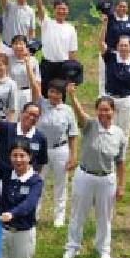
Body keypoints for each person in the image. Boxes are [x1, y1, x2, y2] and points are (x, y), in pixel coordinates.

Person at [64, 87, 128, 258]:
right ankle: (72, 246)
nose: (104, 113)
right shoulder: (90, 125)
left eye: (107, 109)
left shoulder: (119, 134)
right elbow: (80, 114)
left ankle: (103, 249)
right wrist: (72, 96)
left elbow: (121, 162)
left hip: (107, 180)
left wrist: (121, 186)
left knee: (105, 216)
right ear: (96, 111)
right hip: (85, 176)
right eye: (101, 109)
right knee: (78, 213)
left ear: (113, 111)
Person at [35, 80, 79, 227]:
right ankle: (34, 213)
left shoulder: (67, 110)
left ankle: (59, 216)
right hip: (41, 150)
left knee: (61, 183)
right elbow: (34, 86)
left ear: (62, 94)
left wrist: (73, 156)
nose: (54, 95)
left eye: (58, 93)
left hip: (61, 150)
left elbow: (73, 134)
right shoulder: (41, 104)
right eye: (51, 91)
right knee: (38, 182)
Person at [98, 22, 130, 141]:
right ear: (117, 46)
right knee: (108, 128)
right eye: (121, 45)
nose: (123, 47)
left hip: (126, 101)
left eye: (126, 45)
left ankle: (120, 156)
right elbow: (101, 44)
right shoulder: (111, 57)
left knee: (124, 131)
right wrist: (104, 25)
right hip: (110, 99)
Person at [97, 0, 130, 95]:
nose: (122, 8)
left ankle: (124, 93)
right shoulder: (111, 17)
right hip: (109, 51)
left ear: (127, 8)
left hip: (125, 52)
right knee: (104, 74)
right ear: (116, 7)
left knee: (121, 75)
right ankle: (102, 95)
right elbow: (107, 3)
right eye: (120, 6)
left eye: (124, 7)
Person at [33, 0, 78, 85]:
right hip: (47, 65)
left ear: (68, 10)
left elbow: (72, 52)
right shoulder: (47, 23)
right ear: (54, 10)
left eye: (64, 9)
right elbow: (40, 6)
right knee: (44, 93)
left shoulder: (71, 28)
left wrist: (72, 71)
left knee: (60, 95)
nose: (61, 11)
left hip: (63, 66)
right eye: (59, 9)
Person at [6, 35, 41, 112]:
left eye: (21, 44)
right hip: (12, 93)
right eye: (15, 44)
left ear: (26, 45)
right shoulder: (8, 59)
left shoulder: (33, 60)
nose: (18, 46)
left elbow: (37, 82)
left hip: (28, 93)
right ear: (12, 46)